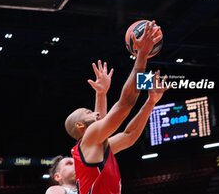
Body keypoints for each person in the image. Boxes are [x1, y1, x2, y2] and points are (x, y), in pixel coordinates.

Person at [65, 20, 168, 194]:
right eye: (89, 112)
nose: (95, 113)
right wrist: (142, 55)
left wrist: (150, 102)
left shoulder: (98, 145)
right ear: (80, 126)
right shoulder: (89, 140)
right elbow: (125, 104)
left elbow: (130, 135)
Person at [46, 59, 114, 194]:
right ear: (57, 177)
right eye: (69, 164)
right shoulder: (57, 189)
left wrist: (101, 94)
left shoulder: (88, 185)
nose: (75, 164)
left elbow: (100, 132)